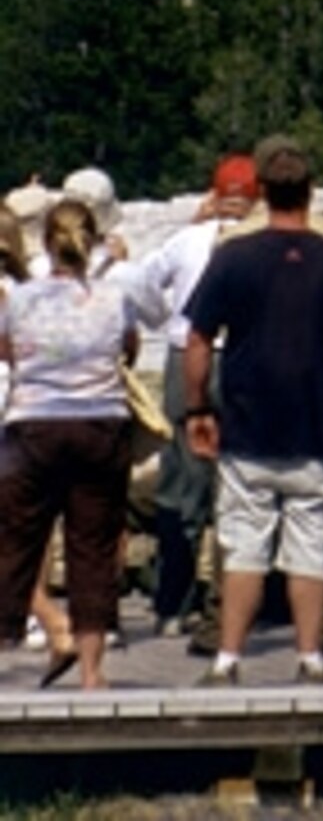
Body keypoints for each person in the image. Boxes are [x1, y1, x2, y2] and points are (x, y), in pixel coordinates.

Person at [181, 138, 323, 686]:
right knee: (310, 548)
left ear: (263, 192)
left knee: (244, 545)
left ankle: (228, 658)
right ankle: (310, 656)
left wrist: (198, 408)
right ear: (311, 193)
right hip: (315, 422)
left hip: (248, 421)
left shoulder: (233, 256)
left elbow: (198, 339)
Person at [0, 193, 138, 690]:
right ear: (93, 240)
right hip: (101, 423)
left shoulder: (22, 298)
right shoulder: (113, 296)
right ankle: (92, 672)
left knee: (15, 541)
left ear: (45, 242)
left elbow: (8, 351)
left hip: (34, 424)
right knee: (93, 549)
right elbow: (128, 348)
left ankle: (7, 636)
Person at [123, 150, 259, 632]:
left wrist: (164, 320)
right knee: (241, 481)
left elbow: (140, 283)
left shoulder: (188, 240)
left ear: (215, 194)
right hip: (242, 355)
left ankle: (173, 603)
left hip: (187, 354)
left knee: (183, 482)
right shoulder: (260, 242)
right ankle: (233, 601)